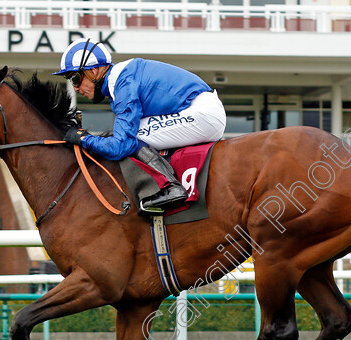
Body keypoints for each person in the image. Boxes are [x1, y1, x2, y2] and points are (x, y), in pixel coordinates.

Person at [55, 38, 227, 212]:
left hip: (203, 114)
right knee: (131, 133)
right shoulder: (123, 77)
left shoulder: (123, 83)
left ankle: (171, 186)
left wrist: (84, 138)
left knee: (130, 137)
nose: (75, 88)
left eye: (75, 78)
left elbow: (120, 146)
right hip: (203, 111)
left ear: (94, 70)